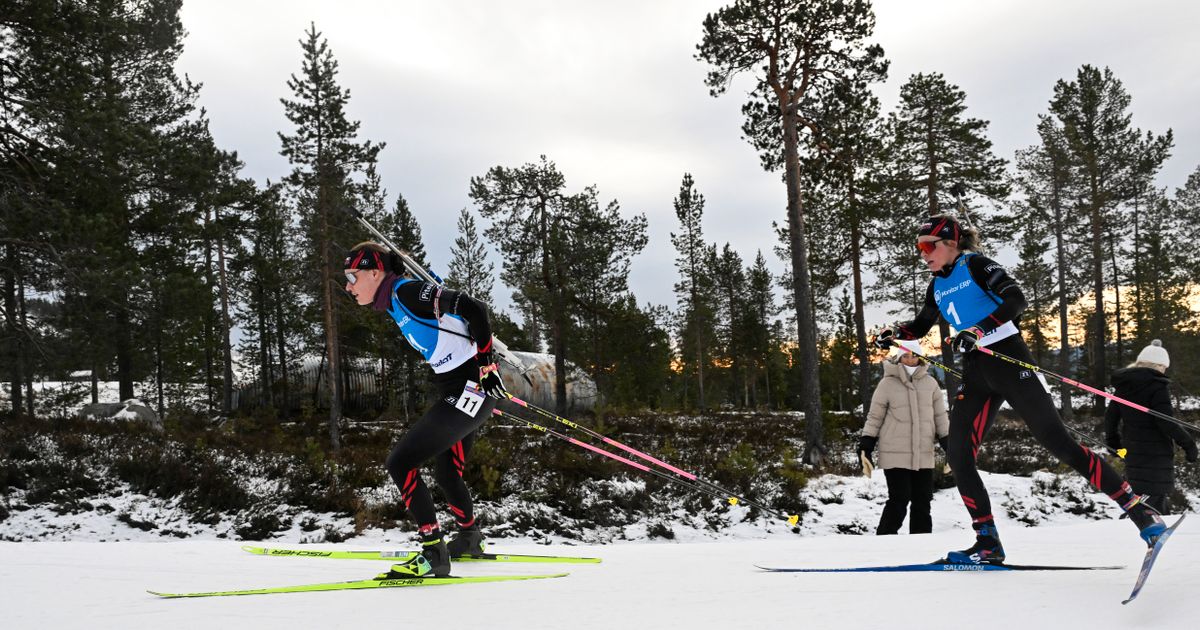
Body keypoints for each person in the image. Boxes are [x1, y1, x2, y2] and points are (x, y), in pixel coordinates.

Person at [874, 214, 1166, 565]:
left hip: (1009, 361)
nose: (923, 254)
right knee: (958, 454)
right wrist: (895, 334)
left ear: (951, 243)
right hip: (977, 371)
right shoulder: (936, 284)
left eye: (928, 246)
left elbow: (1016, 301)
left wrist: (978, 330)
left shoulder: (977, 265)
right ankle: (987, 542)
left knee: (1060, 443)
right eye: (919, 247)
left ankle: (1141, 513)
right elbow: (921, 325)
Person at [343, 242, 508, 577]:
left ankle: (434, 553)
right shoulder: (393, 299)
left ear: (375, 272)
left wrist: (488, 365)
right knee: (447, 472)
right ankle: (469, 538)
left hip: (471, 387)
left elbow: (475, 308)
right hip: (465, 390)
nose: (348, 285)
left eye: (352, 275)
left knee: (400, 462)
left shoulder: (406, 293)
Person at [858, 339, 950, 535]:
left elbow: (940, 416)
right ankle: (885, 540)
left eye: (914, 355)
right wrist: (867, 443)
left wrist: (948, 443)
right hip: (894, 452)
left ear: (921, 357)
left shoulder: (930, 383)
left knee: (923, 500)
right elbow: (875, 416)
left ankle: (921, 543)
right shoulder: (887, 384)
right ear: (899, 357)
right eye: (906, 356)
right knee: (899, 499)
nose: (910, 360)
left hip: (924, 451)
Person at [1105, 340, 1198, 513]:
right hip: (1156, 454)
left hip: (1132, 451)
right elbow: (1165, 421)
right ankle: (1142, 526)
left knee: (1150, 497)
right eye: (1164, 367)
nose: (1165, 371)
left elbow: (1111, 418)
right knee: (1150, 499)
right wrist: (1188, 444)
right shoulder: (1157, 385)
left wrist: (1114, 445)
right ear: (1159, 365)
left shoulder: (1124, 386)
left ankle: (1158, 527)